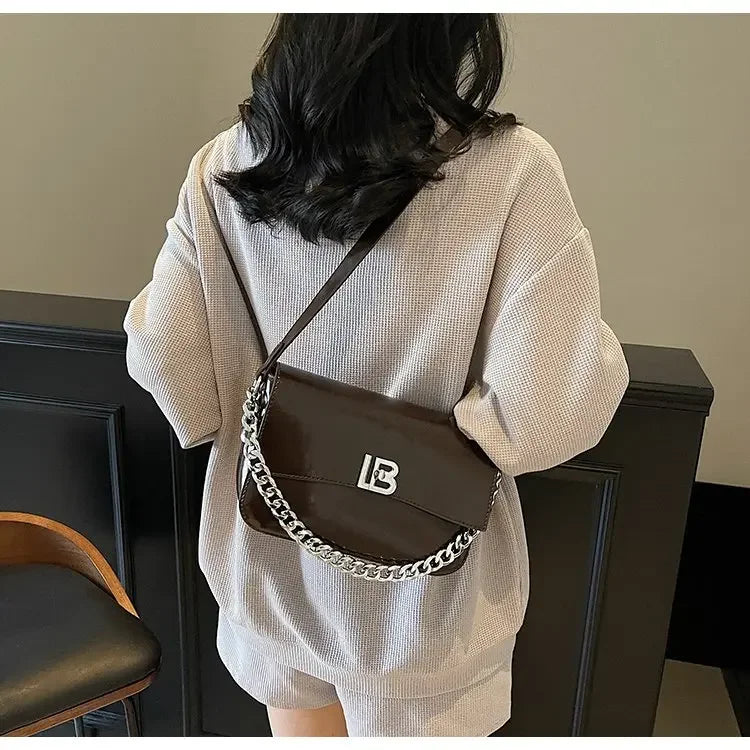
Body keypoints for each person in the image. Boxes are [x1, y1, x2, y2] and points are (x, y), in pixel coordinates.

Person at [124, 13, 629, 738]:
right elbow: (542, 414)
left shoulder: (229, 162)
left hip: (272, 559)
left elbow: (173, 370)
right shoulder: (512, 171)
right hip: (425, 596)